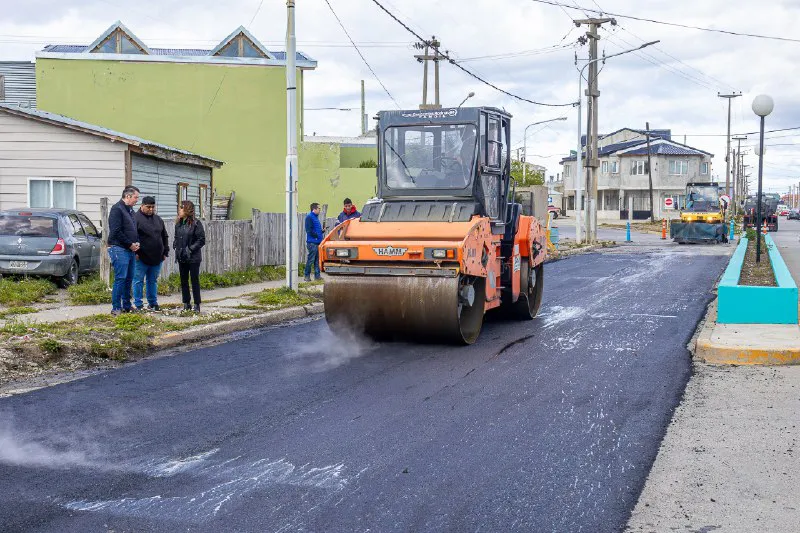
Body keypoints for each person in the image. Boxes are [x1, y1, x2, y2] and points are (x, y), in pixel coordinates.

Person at [107, 185, 140, 315]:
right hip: (119, 248)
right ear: (128, 196)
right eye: (136, 197)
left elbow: (133, 230)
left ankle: (126, 305)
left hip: (130, 249)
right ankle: (116, 307)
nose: (137, 200)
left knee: (129, 278)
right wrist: (129, 244)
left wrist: (136, 243)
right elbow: (116, 231)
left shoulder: (130, 210)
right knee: (120, 278)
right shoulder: (117, 209)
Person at [133, 196, 169, 311]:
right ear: (142, 206)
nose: (151, 209)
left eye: (153, 207)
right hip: (140, 257)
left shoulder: (158, 219)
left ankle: (153, 303)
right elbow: (132, 237)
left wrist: (165, 251)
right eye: (148, 207)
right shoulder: (135, 219)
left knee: (152, 281)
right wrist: (135, 253)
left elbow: (164, 236)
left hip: (157, 256)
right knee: (138, 280)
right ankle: (138, 304)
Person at [173, 200, 206, 312]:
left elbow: (201, 240)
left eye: (181, 208)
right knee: (183, 280)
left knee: (194, 280)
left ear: (186, 210)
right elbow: (177, 237)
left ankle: (197, 304)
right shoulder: (179, 223)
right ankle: (186, 303)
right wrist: (176, 245)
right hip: (182, 256)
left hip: (193, 257)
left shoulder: (196, 224)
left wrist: (190, 249)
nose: (179, 210)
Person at [304, 202, 323, 282]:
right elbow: (309, 230)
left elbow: (315, 229)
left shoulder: (315, 217)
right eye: (319, 208)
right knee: (311, 260)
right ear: (314, 209)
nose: (320, 210)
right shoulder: (309, 217)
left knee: (316, 260)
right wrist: (316, 236)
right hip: (312, 242)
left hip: (317, 242)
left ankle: (317, 276)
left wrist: (321, 231)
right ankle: (306, 276)